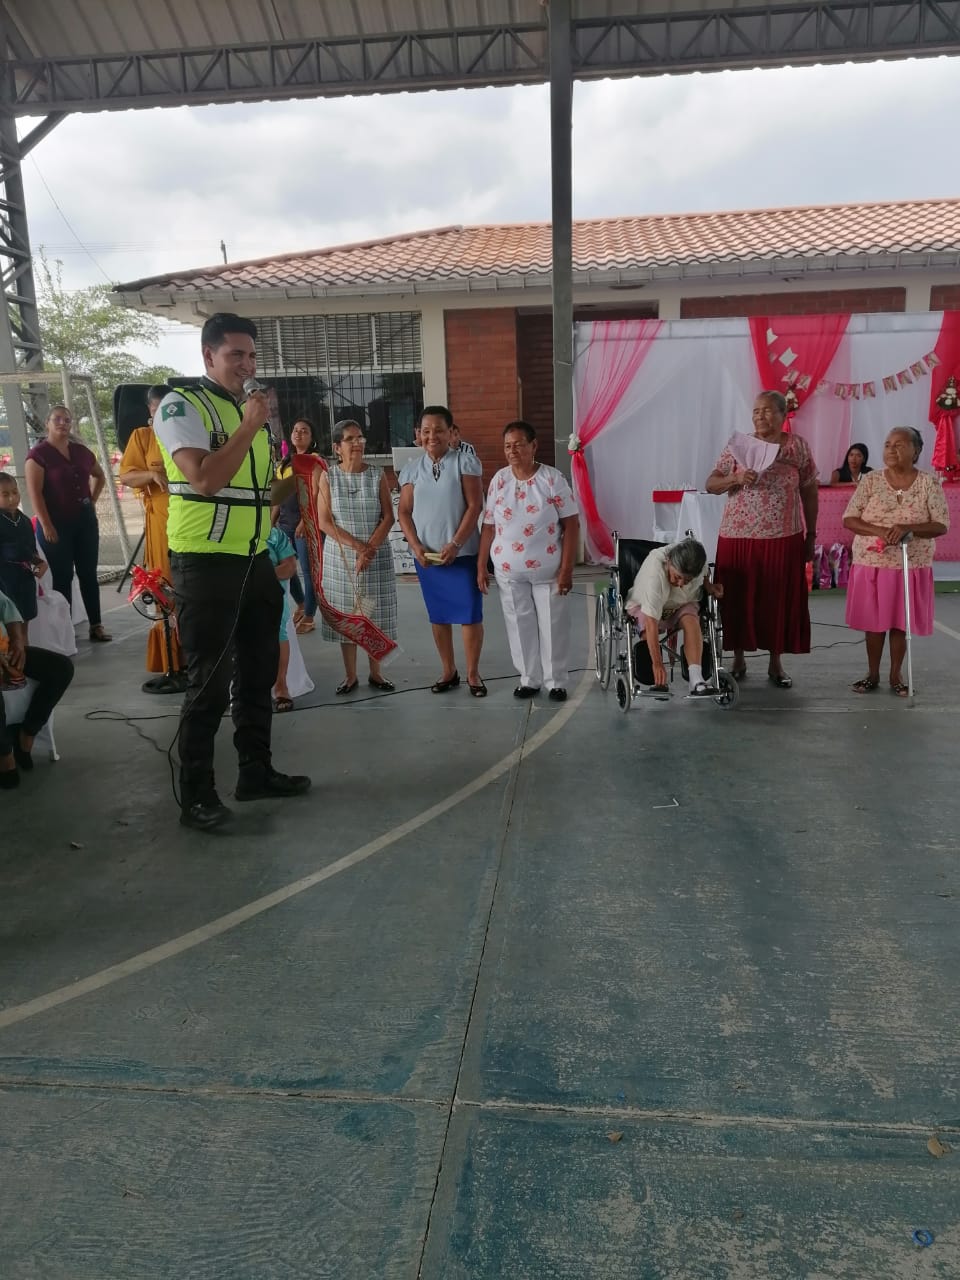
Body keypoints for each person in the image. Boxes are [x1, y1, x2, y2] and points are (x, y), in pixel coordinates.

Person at [153, 312, 310, 831]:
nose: (247, 365)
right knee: (209, 683)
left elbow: (259, 494)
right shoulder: (182, 406)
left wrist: (298, 486)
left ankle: (255, 772)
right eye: (235, 355)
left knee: (259, 670)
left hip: (253, 558)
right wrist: (248, 425)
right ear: (208, 356)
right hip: (204, 561)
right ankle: (196, 796)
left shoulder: (251, 415)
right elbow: (205, 480)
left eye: (252, 355)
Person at [705, 390, 818, 688]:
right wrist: (735, 478)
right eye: (756, 411)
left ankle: (775, 663)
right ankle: (738, 658)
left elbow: (809, 490)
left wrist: (811, 534)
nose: (760, 416)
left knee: (777, 599)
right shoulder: (738, 445)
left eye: (767, 410)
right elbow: (711, 483)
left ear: (783, 414)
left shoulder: (796, 447)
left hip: (783, 537)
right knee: (736, 597)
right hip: (737, 536)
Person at [478, 421, 579, 701]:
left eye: (519, 445)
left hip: (549, 571)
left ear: (533, 446)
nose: (513, 451)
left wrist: (567, 569)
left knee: (553, 625)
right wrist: (481, 565)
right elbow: (488, 526)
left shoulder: (552, 479)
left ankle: (555, 681)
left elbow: (571, 525)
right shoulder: (499, 480)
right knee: (518, 624)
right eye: (507, 446)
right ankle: (529, 679)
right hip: (508, 571)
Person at [843, 427, 949, 696]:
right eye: (888, 444)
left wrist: (909, 528)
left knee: (901, 622)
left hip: (910, 564)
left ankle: (896, 675)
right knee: (874, 622)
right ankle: (872, 674)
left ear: (916, 450)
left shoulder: (929, 483)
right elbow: (849, 518)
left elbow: (941, 525)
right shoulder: (871, 480)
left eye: (899, 445)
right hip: (872, 562)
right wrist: (880, 531)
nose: (891, 449)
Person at [398, 405, 486, 696]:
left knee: (469, 614)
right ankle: (449, 671)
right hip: (428, 558)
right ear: (418, 434)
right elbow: (404, 512)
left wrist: (456, 543)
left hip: (462, 555)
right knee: (438, 615)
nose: (432, 436)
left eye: (439, 430)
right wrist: (415, 546)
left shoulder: (465, 462)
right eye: (426, 431)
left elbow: (474, 506)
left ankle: (473, 674)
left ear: (452, 433)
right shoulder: (411, 469)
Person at [316, 419, 398, 693]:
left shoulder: (376, 475)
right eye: (350, 439)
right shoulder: (329, 477)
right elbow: (324, 522)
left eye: (360, 437)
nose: (357, 443)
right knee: (347, 617)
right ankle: (350, 676)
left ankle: (376, 674)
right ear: (337, 447)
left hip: (375, 558)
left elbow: (388, 516)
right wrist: (359, 548)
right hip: (341, 559)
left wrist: (369, 549)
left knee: (374, 615)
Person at [118, 384, 188, 692]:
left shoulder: (188, 434)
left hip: (192, 523)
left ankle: (197, 658)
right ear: (150, 410)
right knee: (166, 589)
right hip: (161, 526)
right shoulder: (143, 437)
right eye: (159, 409)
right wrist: (151, 475)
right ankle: (173, 663)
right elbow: (127, 475)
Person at [25, 404, 112, 642]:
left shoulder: (81, 451)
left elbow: (99, 475)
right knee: (62, 576)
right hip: (56, 523)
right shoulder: (38, 455)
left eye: (67, 420)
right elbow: (35, 494)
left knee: (88, 574)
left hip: (84, 522)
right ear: (47, 424)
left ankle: (96, 625)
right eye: (57, 419)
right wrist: (46, 524)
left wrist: (92, 500)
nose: (63, 423)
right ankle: (66, 631)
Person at [625, 539, 723, 696]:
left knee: (691, 620)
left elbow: (704, 573)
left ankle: (696, 680)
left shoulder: (697, 562)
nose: (681, 584)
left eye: (687, 580)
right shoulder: (655, 575)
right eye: (677, 577)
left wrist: (709, 586)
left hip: (681, 603)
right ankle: (657, 679)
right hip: (644, 605)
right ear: (668, 562)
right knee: (647, 630)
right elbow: (651, 622)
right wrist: (658, 664)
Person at [0, 584, 74, 789]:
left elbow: (8, 610)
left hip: (5, 649)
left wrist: (17, 642)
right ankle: (4, 754)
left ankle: (27, 733)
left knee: (61, 668)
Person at [273, 417, 323, 635]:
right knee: (287, 568)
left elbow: (316, 494)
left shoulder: (315, 461)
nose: (298, 433)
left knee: (309, 572)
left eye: (304, 431)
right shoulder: (284, 463)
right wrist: (271, 524)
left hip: (307, 525)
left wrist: (306, 521)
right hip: (285, 524)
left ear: (312, 438)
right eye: (295, 430)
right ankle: (301, 604)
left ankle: (310, 616)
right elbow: (278, 497)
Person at [0, 472, 46, 623]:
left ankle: (24, 640)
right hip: (4, 580)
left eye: (15, 492)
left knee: (25, 619)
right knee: (11, 623)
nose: (12, 498)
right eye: (5, 495)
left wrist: (38, 565)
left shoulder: (24, 521)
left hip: (25, 579)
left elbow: (31, 551)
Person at [266, 524, 298, 712]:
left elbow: (290, 567)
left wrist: (261, 575)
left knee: (279, 631)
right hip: (237, 593)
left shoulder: (275, 535)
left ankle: (281, 685)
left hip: (271, 592)